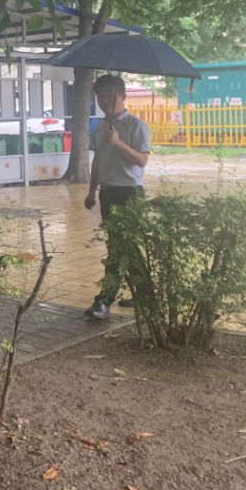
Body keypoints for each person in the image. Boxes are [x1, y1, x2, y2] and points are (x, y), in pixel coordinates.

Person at [83, 74, 151, 320]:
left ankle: (104, 300)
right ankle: (146, 295)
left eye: (111, 95)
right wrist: (91, 191)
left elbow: (142, 160)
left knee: (121, 248)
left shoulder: (136, 125)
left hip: (130, 193)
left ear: (123, 96)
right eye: (101, 96)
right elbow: (97, 161)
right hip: (108, 193)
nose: (106, 100)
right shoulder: (100, 127)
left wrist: (118, 143)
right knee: (123, 247)